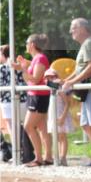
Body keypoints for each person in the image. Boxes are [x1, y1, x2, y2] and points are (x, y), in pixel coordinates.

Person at [60, 18, 91, 166]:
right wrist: (66, 81)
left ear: (82, 29)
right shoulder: (86, 45)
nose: (70, 31)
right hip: (89, 91)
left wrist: (72, 82)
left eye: (73, 27)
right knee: (86, 124)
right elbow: (79, 69)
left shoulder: (89, 44)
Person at [14, 34, 51, 166]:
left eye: (26, 43)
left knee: (28, 126)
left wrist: (23, 69)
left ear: (32, 45)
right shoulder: (37, 58)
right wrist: (20, 65)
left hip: (38, 96)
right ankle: (47, 157)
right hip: (36, 96)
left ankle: (39, 158)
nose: (25, 45)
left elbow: (34, 79)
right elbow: (27, 69)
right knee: (41, 128)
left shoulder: (40, 58)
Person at [0, 44, 28, 162]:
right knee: (23, 127)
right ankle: (25, 153)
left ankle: (17, 153)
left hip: (7, 100)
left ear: (3, 54)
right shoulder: (20, 66)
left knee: (12, 128)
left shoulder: (2, 68)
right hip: (23, 99)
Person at [44, 67, 72, 166]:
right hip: (54, 115)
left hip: (60, 115)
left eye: (52, 77)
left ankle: (63, 157)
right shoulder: (52, 88)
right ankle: (59, 156)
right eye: (48, 77)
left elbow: (67, 103)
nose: (50, 80)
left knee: (62, 137)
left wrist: (62, 117)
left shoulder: (59, 89)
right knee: (57, 137)